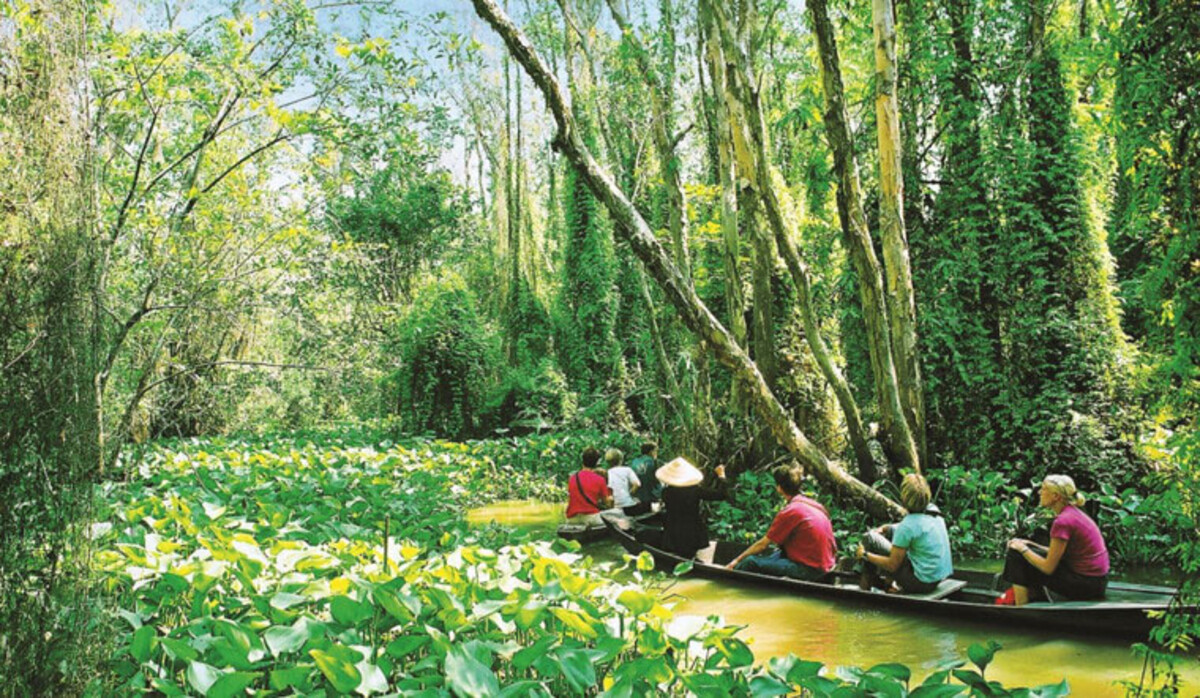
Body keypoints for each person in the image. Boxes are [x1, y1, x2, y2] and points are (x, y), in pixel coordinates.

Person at [1000, 474, 1109, 606]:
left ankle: (1021, 607)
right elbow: (1059, 554)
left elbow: (1048, 568)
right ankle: (1035, 597)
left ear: (1056, 496)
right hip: (1097, 582)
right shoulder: (1073, 512)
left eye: (1044, 489)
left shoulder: (1062, 521)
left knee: (1015, 554)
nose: (1040, 492)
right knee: (1024, 549)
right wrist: (1030, 545)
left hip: (1086, 585)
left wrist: (1022, 549)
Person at [726, 465, 836, 581]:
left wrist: (736, 561)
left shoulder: (791, 511)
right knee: (775, 554)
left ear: (779, 488)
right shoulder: (817, 506)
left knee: (750, 562)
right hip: (827, 565)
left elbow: (763, 544)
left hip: (811, 569)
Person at [855, 473, 953, 594]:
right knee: (890, 533)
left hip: (921, 583)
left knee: (870, 538)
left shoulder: (908, 525)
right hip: (937, 579)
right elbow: (915, 527)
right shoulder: (934, 512)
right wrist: (886, 528)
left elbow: (892, 565)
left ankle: (863, 590)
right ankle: (888, 586)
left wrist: (865, 555)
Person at [656, 457, 727, 558]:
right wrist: (721, 475)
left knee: (678, 555)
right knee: (689, 555)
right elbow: (721, 495)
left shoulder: (666, 492)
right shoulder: (695, 491)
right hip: (691, 531)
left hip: (673, 530)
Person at [565, 446, 613, 527]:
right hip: (591, 518)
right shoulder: (600, 479)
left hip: (572, 519)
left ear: (582, 461)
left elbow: (571, 497)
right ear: (597, 463)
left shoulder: (572, 478)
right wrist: (611, 499)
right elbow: (607, 503)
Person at [605, 448, 645, 516]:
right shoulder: (627, 470)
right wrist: (630, 494)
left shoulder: (607, 473)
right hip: (628, 506)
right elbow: (637, 484)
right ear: (621, 460)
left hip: (615, 507)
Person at [627, 442, 661, 514]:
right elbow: (656, 478)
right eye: (656, 451)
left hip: (636, 494)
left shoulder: (634, 461)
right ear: (651, 451)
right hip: (649, 493)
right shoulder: (653, 462)